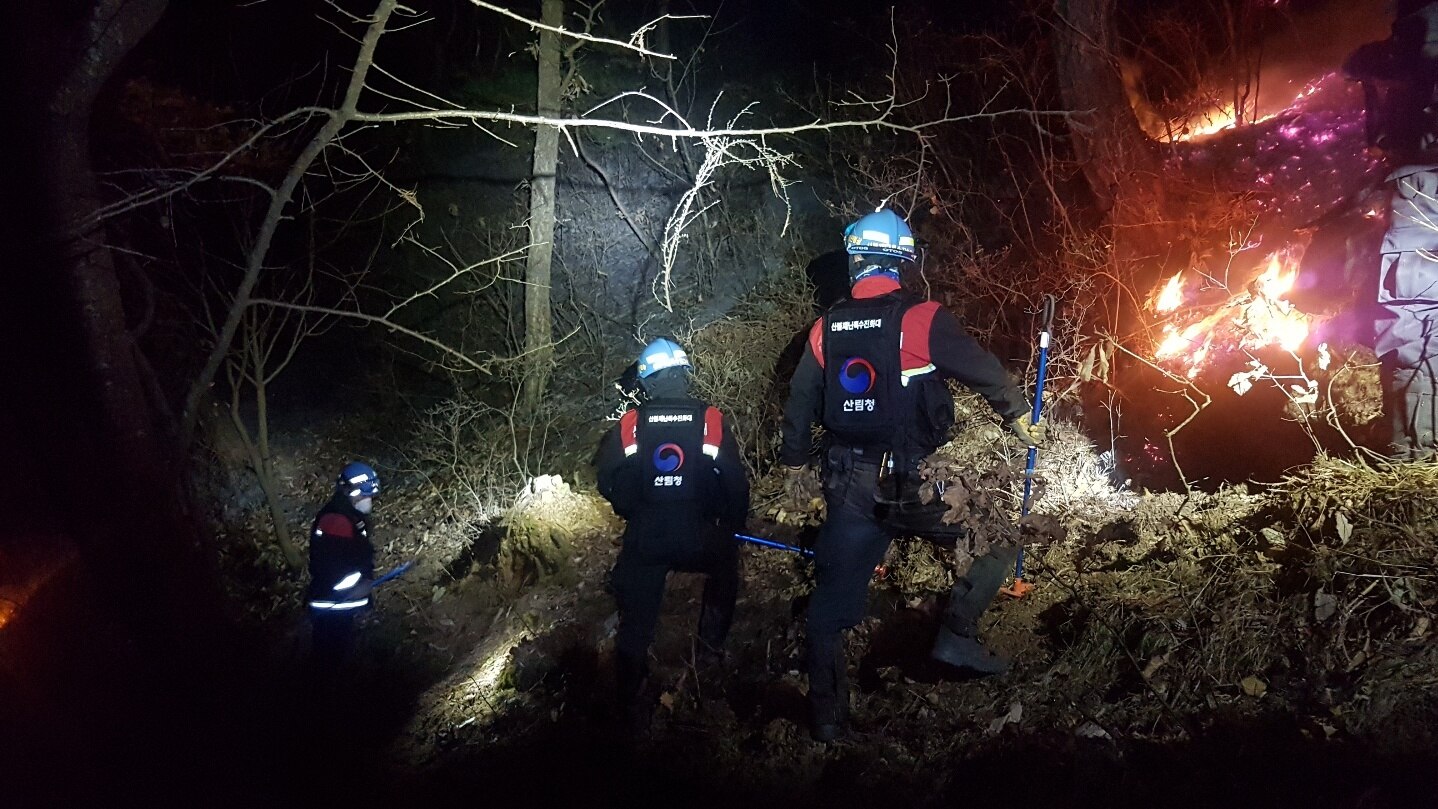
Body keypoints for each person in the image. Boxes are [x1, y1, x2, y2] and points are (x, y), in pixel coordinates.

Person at [779, 207, 1045, 743]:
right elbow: (984, 371)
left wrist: (795, 466)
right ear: (901, 263)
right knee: (996, 541)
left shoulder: (825, 328)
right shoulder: (921, 318)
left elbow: (799, 402)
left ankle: (828, 719)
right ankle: (955, 635)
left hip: (849, 484)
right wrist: (1018, 414)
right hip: (915, 482)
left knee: (828, 608)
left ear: (855, 262)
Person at [594, 338, 750, 732]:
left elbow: (607, 478)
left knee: (636, 620)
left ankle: (628, 697)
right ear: (685, 374)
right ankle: (710, 650)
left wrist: (632, 508)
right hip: (700, 534)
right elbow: (734, 481)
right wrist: (732, 525)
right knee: (726, 567)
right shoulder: (709, 418)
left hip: (647, 536)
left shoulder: (631, 422)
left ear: (647, 380)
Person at [1375, 164, 1438, 459]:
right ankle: (1417, 453)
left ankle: (1417, 457)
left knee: (1416, 333)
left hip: (1422, 196)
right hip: (1422, 197)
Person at [307, 461, 379, 671]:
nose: (369, 500)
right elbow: (332, 568)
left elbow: (356, 555)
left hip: (339, 604)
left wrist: (364, 580)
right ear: (352, 491)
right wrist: (357, 586)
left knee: (338, 657)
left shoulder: (349, 516)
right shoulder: (336, 520)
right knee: (329, 662)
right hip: (332, 604)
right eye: (365, 495)